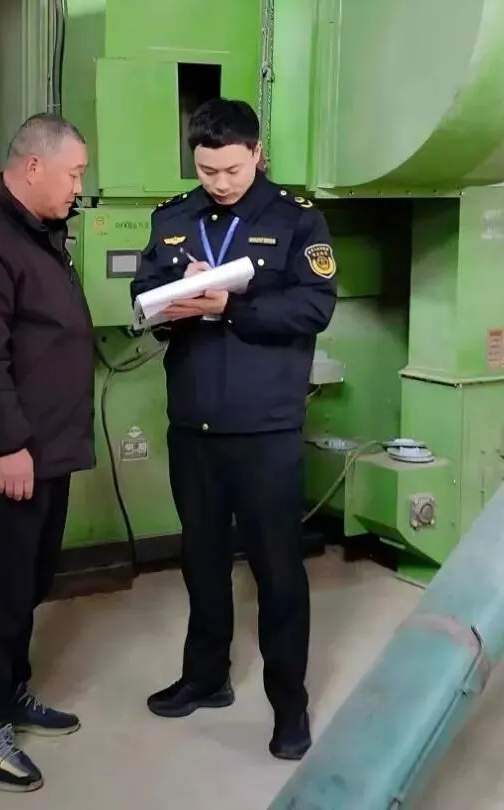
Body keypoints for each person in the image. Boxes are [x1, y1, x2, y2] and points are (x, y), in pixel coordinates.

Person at [129, 98, 338, 760]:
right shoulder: (173, 218)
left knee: (277, 571)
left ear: (256, 154)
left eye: (231, 169)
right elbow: (142, 292)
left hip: (265, 429)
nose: (218, 182)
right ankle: (205, 677)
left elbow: (314, 306)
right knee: (202, 560)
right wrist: (167, 301)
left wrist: (230, 305)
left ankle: (289, 707)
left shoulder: (296, 219)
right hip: (193, 424)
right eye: (206, 170)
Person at [0, 112, 94, 793]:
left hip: (47, 448)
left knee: (28, 584)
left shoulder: (36, 233)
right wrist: (9, 444)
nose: (78, 188)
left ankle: (10, 690)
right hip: (11, 456)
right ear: (34, 166)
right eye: (74, 174)